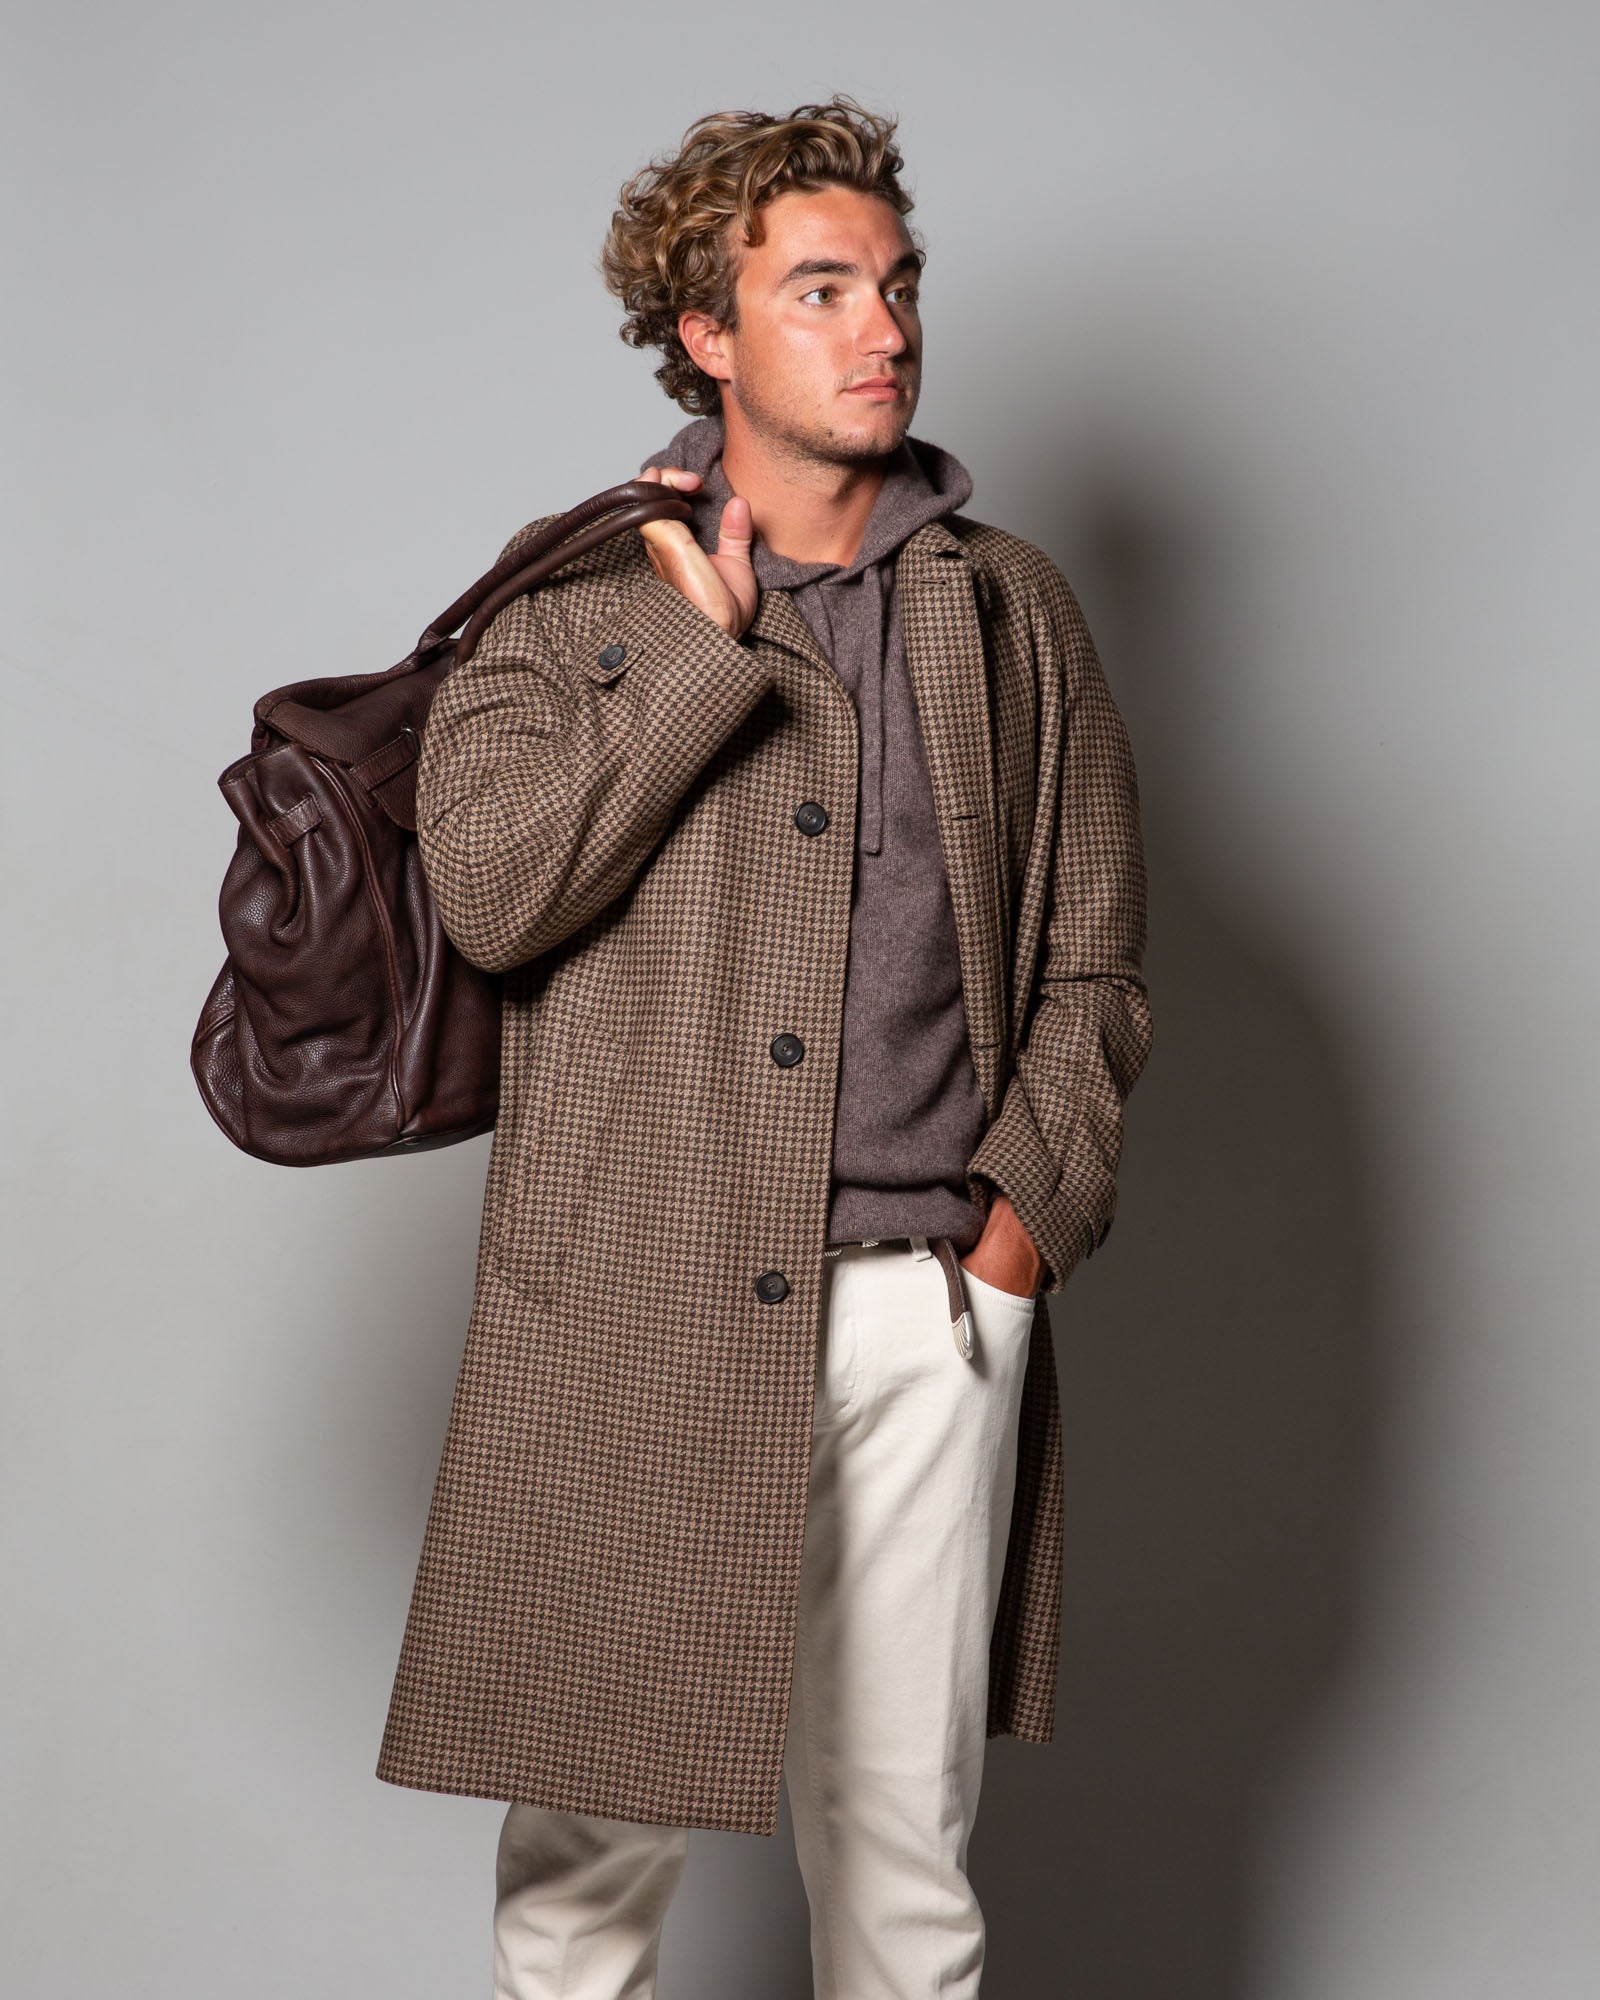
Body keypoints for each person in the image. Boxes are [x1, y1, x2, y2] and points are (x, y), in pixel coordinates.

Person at [378, 94, 1154, 1999]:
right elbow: (495, 899)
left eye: (897, 284)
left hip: (927, 1313)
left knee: (907, 1864)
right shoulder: (572, 607)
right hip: (637, 1304)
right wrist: (692, 654)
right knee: (586, 1876)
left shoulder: (1011, 612)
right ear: (705, 335)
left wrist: (1014, 1242)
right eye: (820, 290)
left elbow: (1096, 963)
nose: (883, 328)